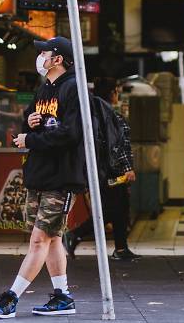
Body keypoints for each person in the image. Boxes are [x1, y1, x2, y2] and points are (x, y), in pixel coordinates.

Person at [0, 36, 86, 319]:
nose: (40, 56)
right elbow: (33, 118)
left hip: (62, 176)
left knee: (39, 240)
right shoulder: (45, 88)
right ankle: (62, 297)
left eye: (45, 52)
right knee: (52, 239)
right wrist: (29, 122)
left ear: (58, 59)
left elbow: (71, 133)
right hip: (40, 173)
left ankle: (10, 298)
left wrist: (31, 138)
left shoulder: (73, 88)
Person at [63, 77, 140, 261]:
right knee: (110, 210)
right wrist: (128, 168)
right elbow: (119, 145)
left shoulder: (92, 113)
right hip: (113, 172)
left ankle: (121, 248)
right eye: (116, 91)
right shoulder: (112, 116)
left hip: (99, 171)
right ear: (112, 93)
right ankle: (74, 234)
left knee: (120, 208)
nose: (118, 95)